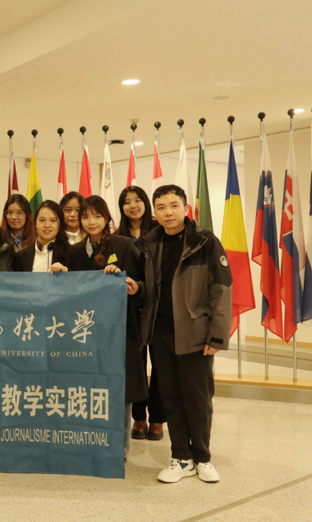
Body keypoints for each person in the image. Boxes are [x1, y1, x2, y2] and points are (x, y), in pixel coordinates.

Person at [140, 184, 232, 484]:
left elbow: (222, 289)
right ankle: (181, 457)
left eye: (173, 205)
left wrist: (217, 336)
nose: (168, 212)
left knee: (198, 399)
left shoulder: (205, 242)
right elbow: (151, 288)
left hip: (195, 333)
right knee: (170, 397)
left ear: (186, 208)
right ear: (155, 213)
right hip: (161, 333)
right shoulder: (150, 243)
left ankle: (203, 457)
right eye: (161, 207)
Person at [68, 195, 146, 460]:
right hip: (86, 333)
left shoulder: (124, 245)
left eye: (97, 216)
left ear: (107, 217)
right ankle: (91, 440)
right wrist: (59, 273)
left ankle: (119, 448)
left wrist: (128, 281)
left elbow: (141, 283)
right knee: (89, 388)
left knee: (119, 389)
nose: (91, 221)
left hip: (119, 330)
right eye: (86, 216)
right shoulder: (75, 251)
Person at [117, 186, 166, 442]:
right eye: (127, 202)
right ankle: (139, 417)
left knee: (160, 365)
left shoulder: (160, 231)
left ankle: (157, 417)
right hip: (129, 309)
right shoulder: (116, 237)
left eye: (137, 200)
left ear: (146, 203)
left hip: (157, 307)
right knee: (135, 364)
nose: (133, 205)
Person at [13, 200, 70, 273]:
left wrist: (66, 272)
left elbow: (80, 277)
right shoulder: (21, 257)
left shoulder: (71, 253)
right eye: (42, 220)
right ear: (35, 223)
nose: (47, 225)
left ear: (60, 225)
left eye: (53, 220)